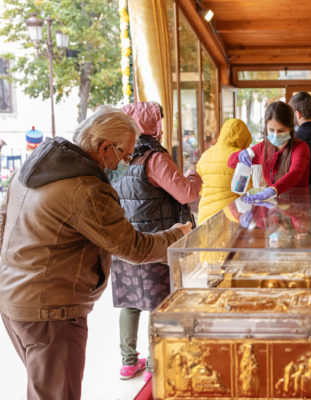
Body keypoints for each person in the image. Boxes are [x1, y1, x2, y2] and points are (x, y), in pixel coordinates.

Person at [0, 106, 192, 400]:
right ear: (104, 148)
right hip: (52, 311)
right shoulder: (86, 188)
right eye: (124, 156)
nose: (124, 164)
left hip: (15, 299)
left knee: (44, 389)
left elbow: (3, 223)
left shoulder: (33, 168)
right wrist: (177, 235)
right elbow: (133, 247)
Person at [111, 102, 202, 382]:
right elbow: (186, 194)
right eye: (159, 119)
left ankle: (128, 362)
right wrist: (193, 175)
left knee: (130, 303)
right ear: (154, 125)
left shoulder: (119, 158)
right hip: (155, 242)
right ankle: (154, 362)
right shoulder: (155, 158)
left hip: (124, 241)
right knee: (157, 303)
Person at [228, 101, 310, 200]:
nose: (276, 135)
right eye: (271, 130)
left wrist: (274, 190)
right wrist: (240, 155)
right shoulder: (263, 147)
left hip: (298, 205)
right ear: (266, 128)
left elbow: (295, 173)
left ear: (290, 128)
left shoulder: (301, 148)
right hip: (275, 205)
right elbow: (231, 163)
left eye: (281, 130)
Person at [196, 118, 252, 224]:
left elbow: (199, 188)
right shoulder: (241, 157)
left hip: (204, 216)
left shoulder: (205, 155)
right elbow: (248, 191)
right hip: (229, 217)